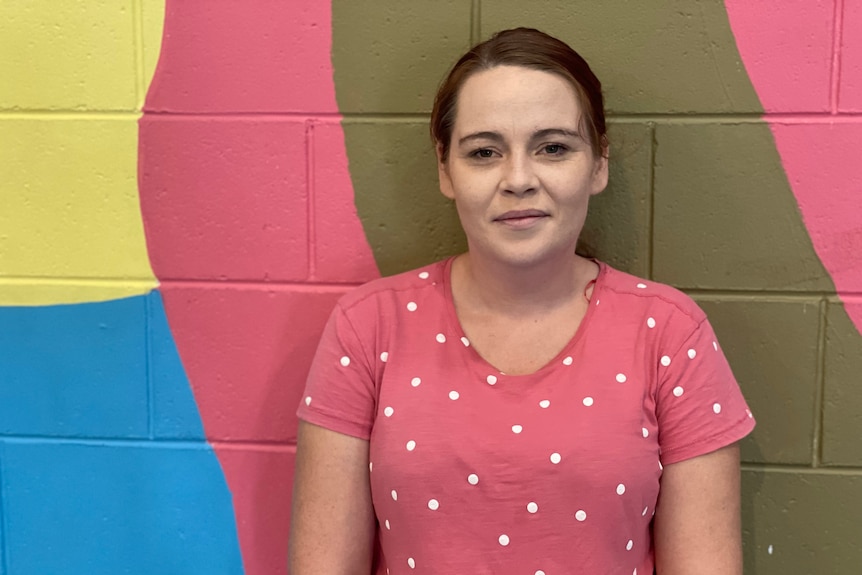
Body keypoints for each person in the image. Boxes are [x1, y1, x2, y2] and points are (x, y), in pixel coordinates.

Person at [289, 27, 755, 574]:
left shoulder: (671, 334)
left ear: (599, 163)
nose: (518, 179)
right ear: (446, 170)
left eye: (553, 148)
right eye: (484, 152)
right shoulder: (366, 327)